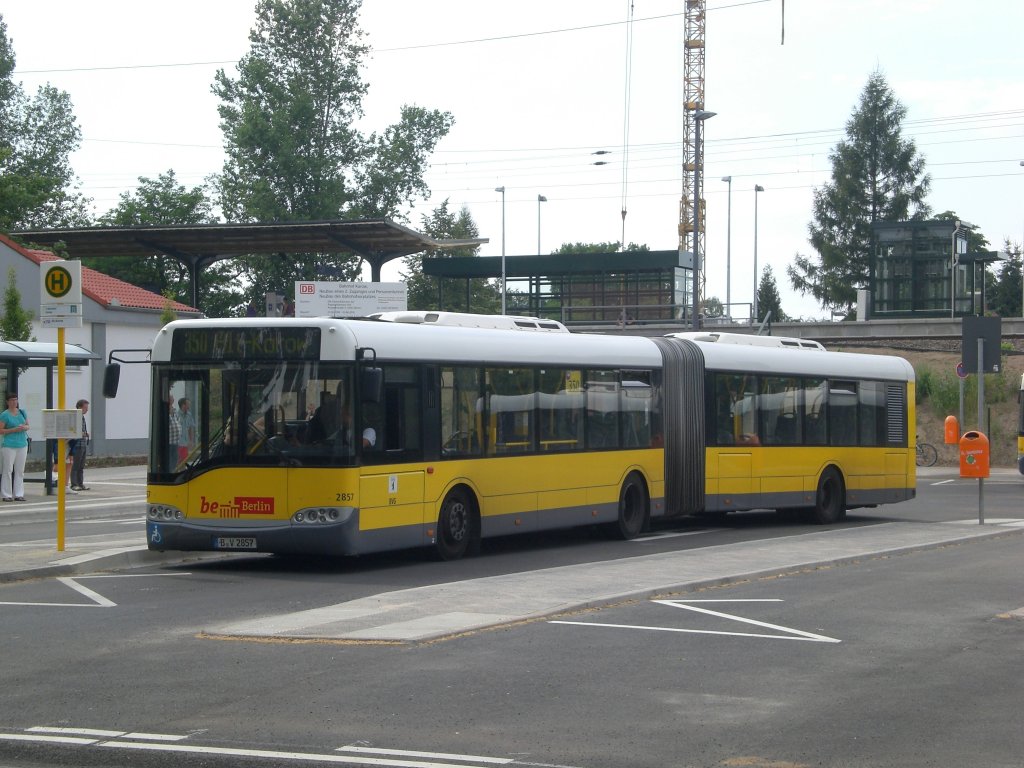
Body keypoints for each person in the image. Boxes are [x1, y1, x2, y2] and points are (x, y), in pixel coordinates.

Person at [0, 393, 30, 501]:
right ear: (7, 402)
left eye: (15, 400)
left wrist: (24, 427)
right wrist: (13, 430)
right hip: (9, 444)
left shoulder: (22, 412)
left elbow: (28, 425)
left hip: (22, 444)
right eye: (12, 400)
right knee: (8, 469)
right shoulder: (4, 415)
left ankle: (18, 493)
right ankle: (6, 494)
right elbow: (1, 430)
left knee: (20, 470)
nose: (14, 402)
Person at [69, 399, 90, 491]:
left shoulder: (82, 417)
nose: (87, 410)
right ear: (80, 407)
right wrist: (83, 433)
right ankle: (74, 484)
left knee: (81, 466)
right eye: (85, 407)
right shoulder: (75, 417)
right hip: (77, 444)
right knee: (75, 466)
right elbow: (72, 430)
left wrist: (85, 434)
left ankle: (80, 483)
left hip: (83, 444)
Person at [177, 397, 196, 464]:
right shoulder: (176, 415)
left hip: (186, 443)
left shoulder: (189, 415)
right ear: (183, 405)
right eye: (188, 404)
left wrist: (191, 441)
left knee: (184, 462)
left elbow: (191, 428)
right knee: (178, 462)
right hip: (178, 444)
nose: (189, 406)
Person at [167, 396, 181, 471]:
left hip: (176, 441)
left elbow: (178, 421)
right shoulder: (165, 410)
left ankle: (173, 470)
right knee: (169, 459)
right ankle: (170, 470)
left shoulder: (174, 410)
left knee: (175, 458)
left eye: (172, 399)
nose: (172, 400)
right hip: (169, 441)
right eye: (170, 399)